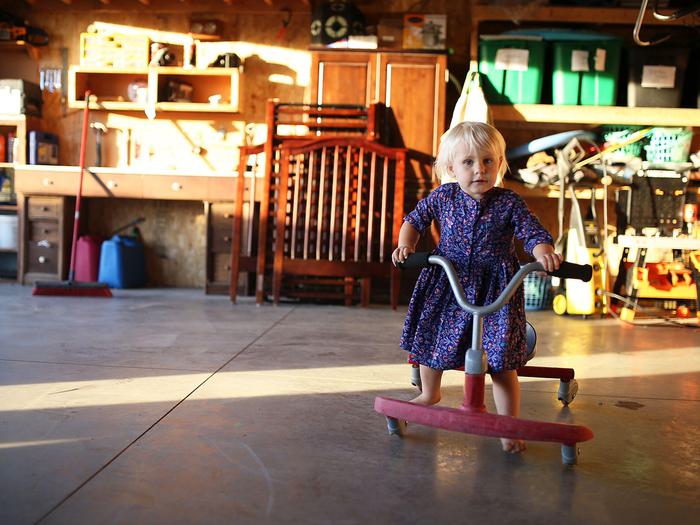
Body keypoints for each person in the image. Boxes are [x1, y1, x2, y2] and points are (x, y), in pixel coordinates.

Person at [391, 121, 562, 454]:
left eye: (488, 161)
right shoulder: (443, 196)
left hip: (496, 287)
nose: (479, 169)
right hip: (449, 280)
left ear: (499, 164)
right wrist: (406, 246)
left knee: (500, 360)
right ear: (451, 168)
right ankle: (429, 392)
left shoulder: (508, 202)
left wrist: (543, 252)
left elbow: (532, 232)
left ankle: (507, 425)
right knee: (434, 338)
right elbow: (415, 219)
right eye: (468, 162)